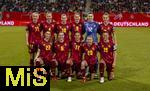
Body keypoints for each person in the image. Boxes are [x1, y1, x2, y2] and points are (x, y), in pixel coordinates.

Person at [98, 12, 117, 81]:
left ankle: (111, 71)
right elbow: (99, 34)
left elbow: (114, 34)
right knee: (101, 57)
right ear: (102, 18)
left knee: (111, 56)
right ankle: (102, 70)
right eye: (104, 18)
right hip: (102, 43)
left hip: (110, 43)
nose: (105, 19)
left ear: (108, 18)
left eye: (106, 18)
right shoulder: (100, 26)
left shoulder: (111, 26)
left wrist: (115, 42)